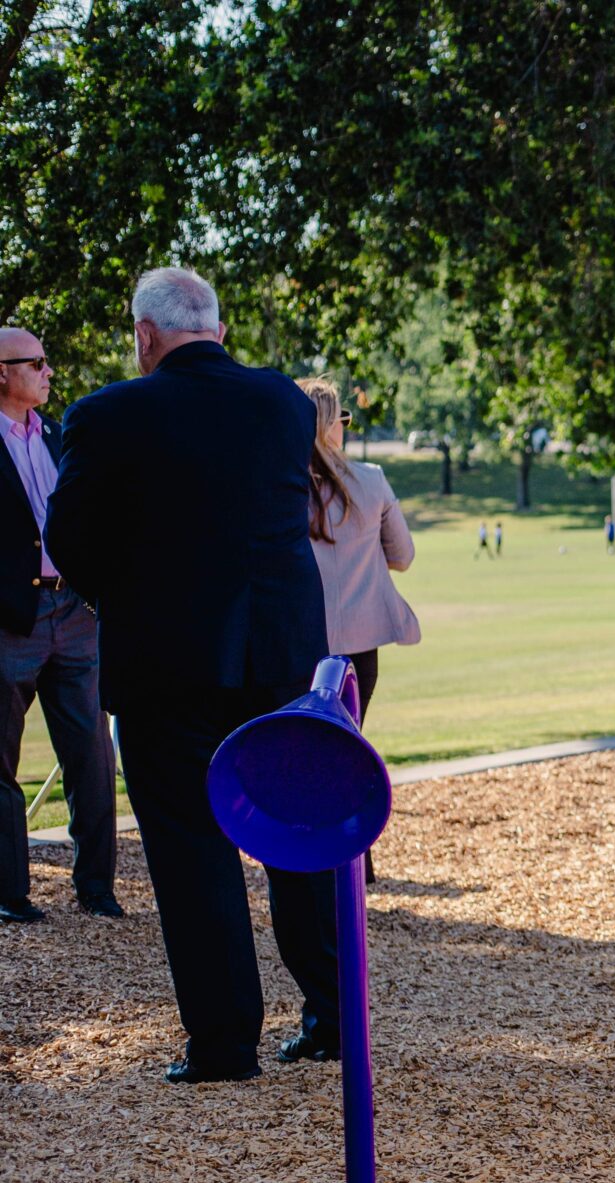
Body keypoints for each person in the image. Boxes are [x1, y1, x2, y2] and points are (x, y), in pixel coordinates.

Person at [46, 268, 336, 1084]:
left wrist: (126, 596)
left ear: (145, 334)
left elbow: (69, 538)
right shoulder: (283, 401)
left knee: (191, 849)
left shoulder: (106, 414)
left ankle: (224, 1041)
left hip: (167, 661)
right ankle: (332, 1014)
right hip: (281, 653)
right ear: (215, 325)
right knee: (300, 836)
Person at [0, 328, 120, 923]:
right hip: (9, 620)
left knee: (94, 756)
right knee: (2, 760)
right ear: (1, 372)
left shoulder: (57, 433)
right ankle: (10, 893)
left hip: (73, 611)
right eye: (36, 363)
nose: (49, 371)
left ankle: (97, 888)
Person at [299, 377, 421, 882]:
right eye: (343, 420)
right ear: (333, 426)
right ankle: (351, 860)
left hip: (303, 639)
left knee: (306, 748)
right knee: (348, 745)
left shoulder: (283, 485)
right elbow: (404, 557)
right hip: (360, 645)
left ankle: (312, 856)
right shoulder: (370, 480)